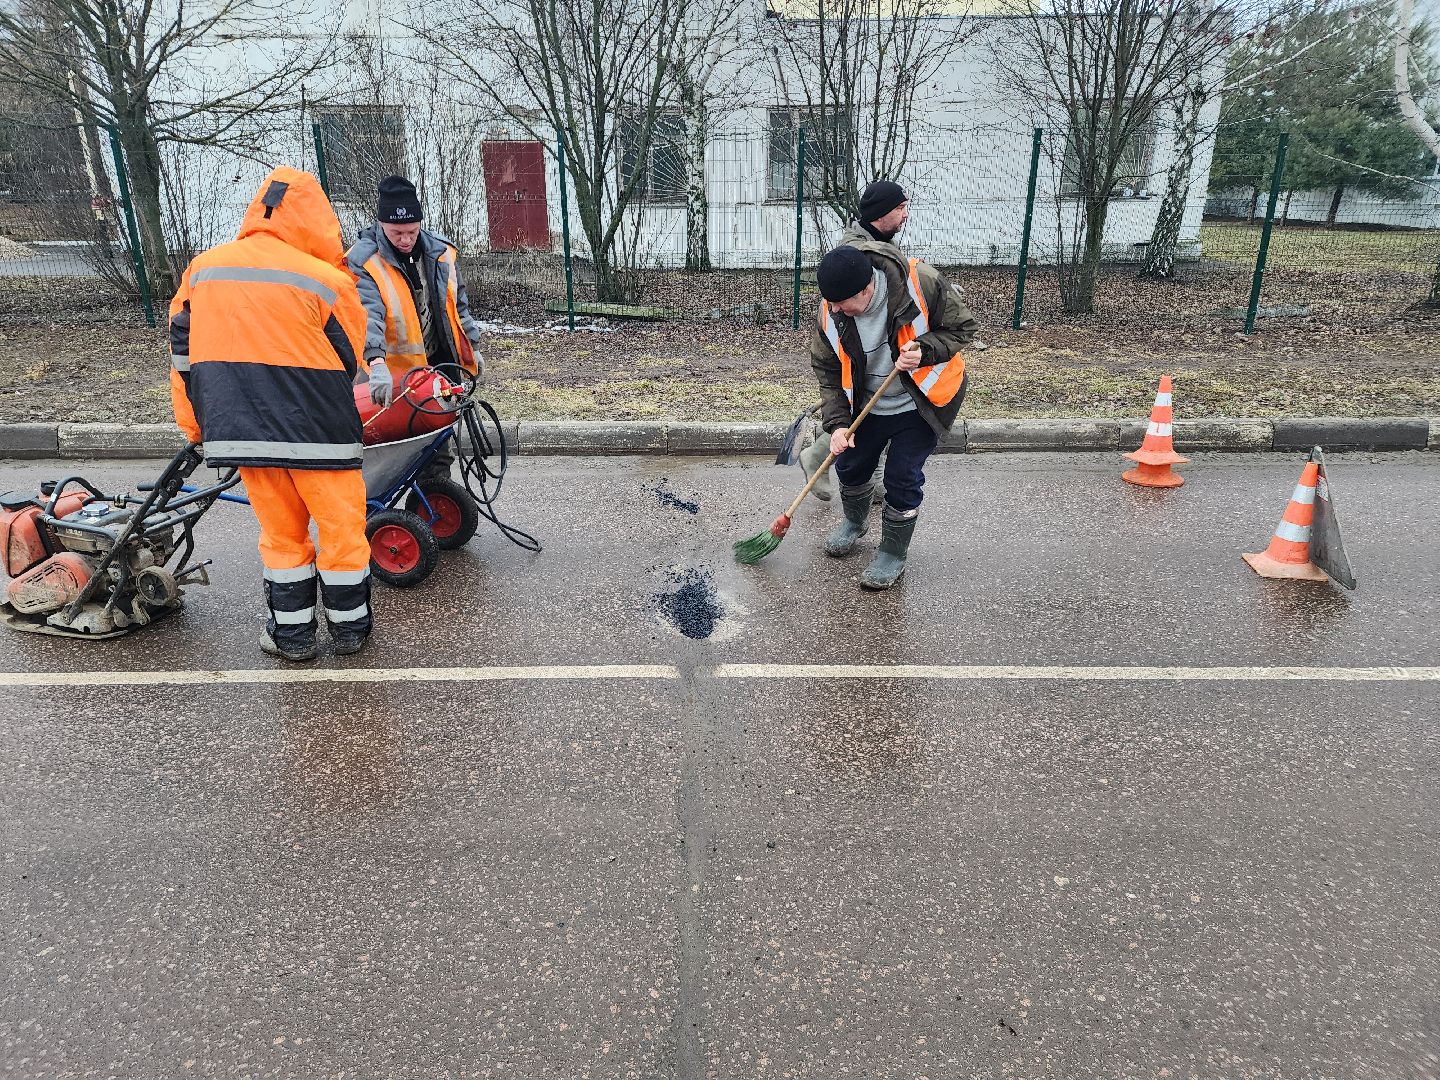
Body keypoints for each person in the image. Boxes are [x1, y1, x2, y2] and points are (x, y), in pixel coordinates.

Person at [169, 166, 373, 661]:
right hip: (321, 434)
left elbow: (182, 359)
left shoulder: (204, 271)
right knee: (343, 533)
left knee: (282, 537)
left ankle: (292, 638)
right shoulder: (327, 280)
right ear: (317, 221)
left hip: (245, 432)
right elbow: (353, 358)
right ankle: (350, 633)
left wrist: (197, 427)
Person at [809, 243, 979, 589]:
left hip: (919, 403)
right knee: (850, 465)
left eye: (843, 302)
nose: (836, 309)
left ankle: (892, 552)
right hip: (867, 404)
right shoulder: (832, 310)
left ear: (867, 289)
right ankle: (855, 523)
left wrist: (925, 350)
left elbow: (962, 329)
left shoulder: (922, 283)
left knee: (902, 477)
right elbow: (827, 370)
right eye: (832, 303)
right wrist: (839, 424)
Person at [347, 175, 484, 483]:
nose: (405, 239)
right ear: (381, 225)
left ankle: (435, 500)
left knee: (436, 439)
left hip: (436, 364)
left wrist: (472, 348)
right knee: (393, 447)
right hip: (393, 374)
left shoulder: (441, 254)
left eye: (411, 231)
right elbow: (367, 315)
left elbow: (458, 306)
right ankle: (385, 512)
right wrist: (376, 363)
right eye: (397, 232)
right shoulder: (364, 262)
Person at [797, 180, 912, 501]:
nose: (905, 215)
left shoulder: (879, 241)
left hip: (881, 347)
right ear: (881, 213)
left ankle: (834, 464)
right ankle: (823, 459)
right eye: (900, 208)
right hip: (859, 349)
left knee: (873, 410)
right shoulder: (859, 250)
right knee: (869, 411)